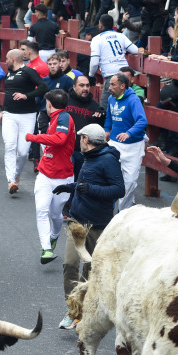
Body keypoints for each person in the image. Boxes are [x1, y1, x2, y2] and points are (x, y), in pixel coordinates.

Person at [56, 124, 124, 329]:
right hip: (77, 221)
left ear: (86, 139)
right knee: (70, 264)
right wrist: (71, 187)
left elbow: (118, 189)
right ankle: (73, 309)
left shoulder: (108, 160)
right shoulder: (89, 158)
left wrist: (89, 189)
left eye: (80, 138)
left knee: (91, 268)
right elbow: (86, 184)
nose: (79, 141)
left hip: (97, 224)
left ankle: (82, 309)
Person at [25, 89, 76, 264]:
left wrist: (35, 137)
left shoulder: (64, 118)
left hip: (63, 177)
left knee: (56, 215)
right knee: (41, 210)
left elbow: (60, 139)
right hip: (45, 174)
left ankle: (54, 236)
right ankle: (46, 249)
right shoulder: (56, 118)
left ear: (49, 104)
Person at [0, 48, 49, 195]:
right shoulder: (9, 73)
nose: (5, 61)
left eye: (6, 58)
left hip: (27, 115)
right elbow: (8, 94)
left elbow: (44, 87)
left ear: (13, 59)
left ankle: (16, 174)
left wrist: (27, 95)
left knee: (23, 152)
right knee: (10, 146)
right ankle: (11, 180)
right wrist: (3, 111)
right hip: (10, 115)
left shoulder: (28, 71)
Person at [103, 72, 147, 208]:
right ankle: (105, 208)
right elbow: (109, 117)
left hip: (133, 146)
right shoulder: (111, 98)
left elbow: (142, 121)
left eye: (112, 84)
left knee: (130, 182)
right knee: (105, 176)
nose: (109, 87)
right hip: (115, 143)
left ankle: (123, 212)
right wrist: (107, 129)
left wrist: (129, 133)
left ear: (122, 86)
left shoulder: (133, 100)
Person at [89, 14, 138, 107]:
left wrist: (91, 75)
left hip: (111, 76)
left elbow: (94, 62)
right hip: (125, 74)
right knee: (124, 104)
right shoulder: (120, 36)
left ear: (100, 25)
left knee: (104, 107)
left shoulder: (97, 39)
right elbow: (135, 50)